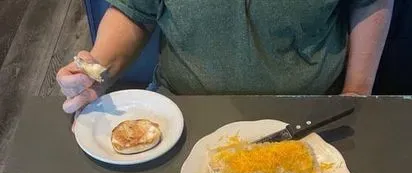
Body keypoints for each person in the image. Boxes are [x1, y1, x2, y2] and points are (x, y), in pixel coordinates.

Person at [57, 0, 393, 114]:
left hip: (313, 112)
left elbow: (370, 2)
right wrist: (95, 70)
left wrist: (356, 96)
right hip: (182, 114)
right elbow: (134, 10)